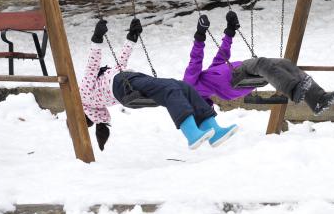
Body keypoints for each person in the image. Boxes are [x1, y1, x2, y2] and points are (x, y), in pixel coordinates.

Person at [80, 18, 238, 151]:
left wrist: (132, 37)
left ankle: (214, 130)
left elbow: (120, 63)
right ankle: (192, 134)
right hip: (124, 83)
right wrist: (97, 38)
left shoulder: (95, 97)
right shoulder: (83, 95)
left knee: (184, 87)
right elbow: (93, 65)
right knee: (170, 89)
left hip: (128, 83)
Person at [183, 11, 334, 114]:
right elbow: (195, 60)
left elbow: (221, 56)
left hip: (238, 82)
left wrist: (230, 31)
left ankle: (318, 100)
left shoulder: (207, 78)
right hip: (235, 77)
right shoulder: (189, 85)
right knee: (261, 63)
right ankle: (293, 90)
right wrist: (199, 35)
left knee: (284, 64)